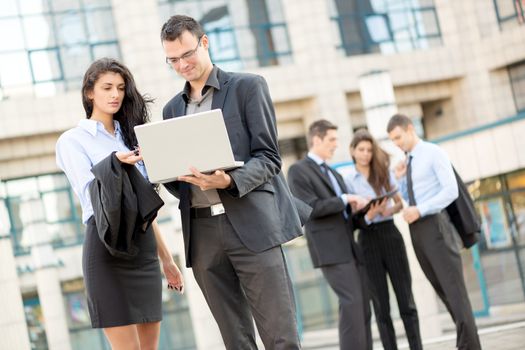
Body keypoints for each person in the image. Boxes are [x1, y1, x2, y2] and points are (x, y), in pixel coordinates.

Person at [160, 15, 307, 350]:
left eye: (187, 54)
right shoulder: (171, 110)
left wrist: (228, 179)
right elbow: (178, 183)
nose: (182, 65)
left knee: (281, 337)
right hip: (203, 236)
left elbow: (269, 158)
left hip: (250, 225)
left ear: (205, 42)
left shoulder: (247, 87)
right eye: (173, 60)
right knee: (235, 342)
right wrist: (159, 167)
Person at [56, 58, 184, 350]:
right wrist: (115, 164)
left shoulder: (133, 138)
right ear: (90, 92)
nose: (115, 94)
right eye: (107, 87)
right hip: (106, 246)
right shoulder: (73, 141)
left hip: (144, 250)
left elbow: (145, 205)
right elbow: (91, 190)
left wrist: (167, 260)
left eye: (121, 88)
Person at [387, 114, 481, 350]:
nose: (396, 143)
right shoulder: (407, 161)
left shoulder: (433, 152)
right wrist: (399, 181)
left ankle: (468, 346)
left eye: (398, 137)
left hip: (436, 226)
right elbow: (409, 199)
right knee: (444, 292)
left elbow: (450, 190)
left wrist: (421, 209)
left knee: (455, 292)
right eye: (392, 140)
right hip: (417, 230)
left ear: (410, 129)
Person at [287, 120, 373, 350]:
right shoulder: (298, 170)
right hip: (330, 251)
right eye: (332, 140)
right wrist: (346, 199)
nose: (337, 145)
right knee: (352, 303)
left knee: (363, 307)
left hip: (350, 247)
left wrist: (366, 213)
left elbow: (346, 216)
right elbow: (309, 208)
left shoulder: (335, 174)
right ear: (316, 140)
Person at [345, 129, 422, 350]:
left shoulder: (383, 173)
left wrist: (388, 210)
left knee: (405, 300)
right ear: (353, 151)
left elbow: (399, 202)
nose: (366, 154)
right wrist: (368, 213)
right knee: (381, 307)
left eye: (369, 150)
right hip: (367, 241)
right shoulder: (348, 180)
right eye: (361, 149)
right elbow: (351, 216)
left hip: (390, 235)